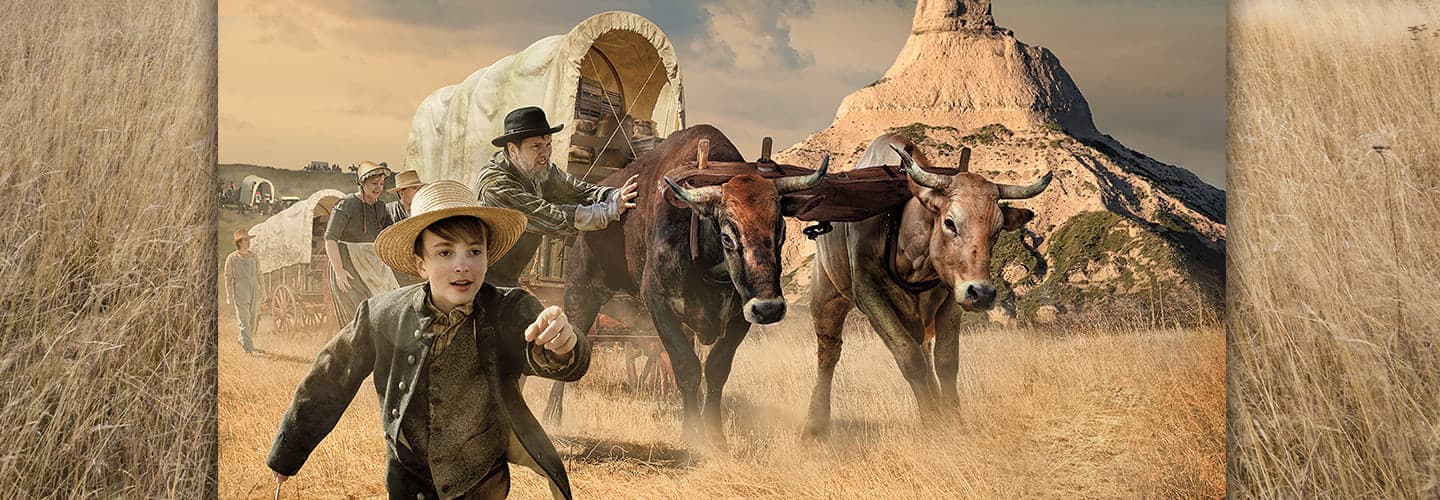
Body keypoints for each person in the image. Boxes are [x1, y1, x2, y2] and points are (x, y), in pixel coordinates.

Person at [267, 180, 591, 500]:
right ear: (421, 264)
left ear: (487, 257)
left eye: (473, 251)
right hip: (409, 482)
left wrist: (564, 345)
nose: (462, 265)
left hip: (482, 483)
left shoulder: (510, 309)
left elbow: (558, 358)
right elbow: (330, 377)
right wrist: (288, 452)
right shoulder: (382, 315)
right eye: (445, 252)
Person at [474, 106, 639, 286]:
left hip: (508, 277)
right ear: (513, 150)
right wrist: (609, 211)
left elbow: (579, 191)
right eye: (536, 146)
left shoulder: (539, 169)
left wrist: (615, 195)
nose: (545, 153)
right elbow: (550, 216)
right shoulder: (495, 185)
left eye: (548, 144)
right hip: (478, 280)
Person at [323, 161, 394, 326]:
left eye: (381, 184)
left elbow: (389, 235)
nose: (378, 188)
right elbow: (330, 238)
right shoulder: (346, 204)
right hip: (348, 264)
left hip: (374, 265)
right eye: (374, 183)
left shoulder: (381, 207)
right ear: (362, 183)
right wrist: (339, 270)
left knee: (386, 309)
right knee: (359, 317)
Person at [224, 229, 262, 354]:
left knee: (252, 319)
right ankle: (249, 349)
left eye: (248, 240)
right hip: (240, 290)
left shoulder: (253, 256)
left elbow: (259, 274)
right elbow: (228, 277)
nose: (248, 242)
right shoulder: (232, 258)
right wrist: (229, 295)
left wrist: (264, 290)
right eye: (246, 240)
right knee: (244, 320)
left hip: (254, 290)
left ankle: (242, 339)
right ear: (239, 243)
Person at [387, 169, 427, 286]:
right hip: (398, 273)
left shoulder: (425, 210)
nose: (418, 192)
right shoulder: (388, 211)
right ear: (401, 193)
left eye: (419, 188)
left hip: (422, 270)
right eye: (414, 188)